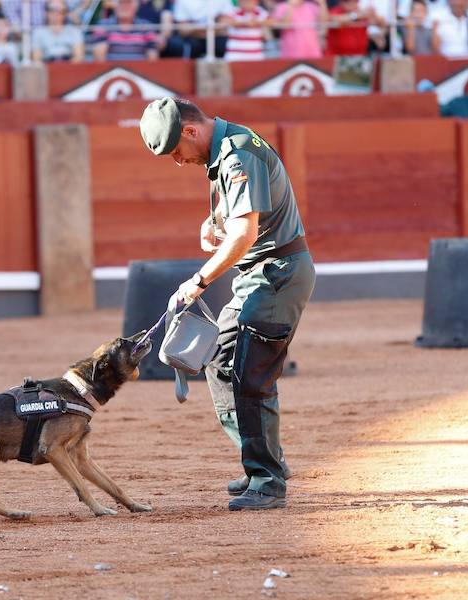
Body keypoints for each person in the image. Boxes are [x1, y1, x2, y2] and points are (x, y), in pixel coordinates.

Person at [139, 98, 315, 511]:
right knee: (219, 358)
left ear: (190, 131)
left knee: (252, 376)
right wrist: (215, 219)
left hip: (277, 275)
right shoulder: (224, 148)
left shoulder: (236, 152)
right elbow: (240, 212)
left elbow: (244, 235)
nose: (178, 162)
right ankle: (263, 461)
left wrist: (198, 281)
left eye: (176, 153)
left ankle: (267, 481)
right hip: (261, 274)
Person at [90, 0, 159, 60]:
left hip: (140, 72)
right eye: (121, 3)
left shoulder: (146, 26)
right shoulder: (104, 25)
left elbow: (152, 56)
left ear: (136, 6)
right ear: (115, 5)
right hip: (112, 71)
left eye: (128, 3)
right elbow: (99, 55)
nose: (124, 6)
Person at [167, 0, 231, 59]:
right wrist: (211, 28)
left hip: (217, 39)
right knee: (178, 44)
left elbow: (225, 25)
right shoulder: (183, 1)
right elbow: (183, 30)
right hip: (192, 39)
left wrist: (194, 27)